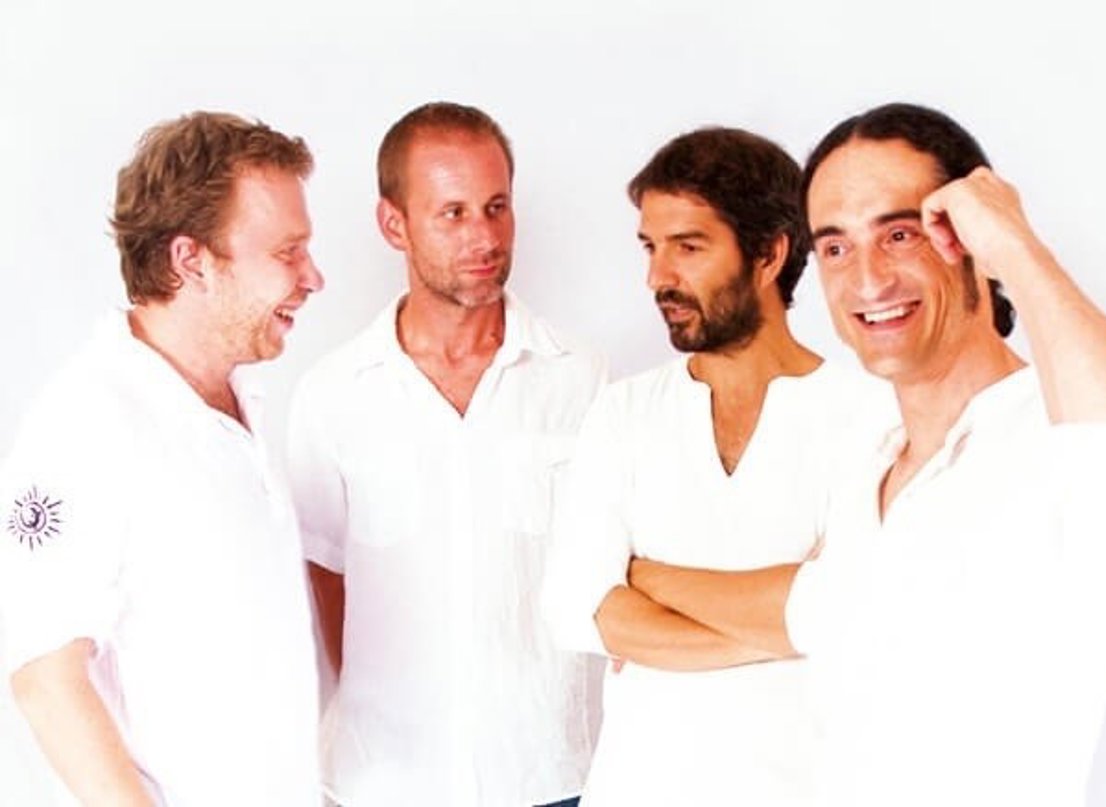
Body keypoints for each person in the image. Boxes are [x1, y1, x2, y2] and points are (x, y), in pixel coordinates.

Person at [625, 102, 1106, 805]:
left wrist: (1016, 245)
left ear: (970, 236)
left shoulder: (1055, 432)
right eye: (836, 247)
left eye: (899, 234)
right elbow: (817, 609)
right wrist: (638, 574)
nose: (867, 281)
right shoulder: (871, 461)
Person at [541, 127, 890, 805]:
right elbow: (575, 609)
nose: (658, 277)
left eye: (689, 246)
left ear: (769, 254)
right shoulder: (624, 412)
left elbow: (856, 611)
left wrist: (646, 577)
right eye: (650, 247)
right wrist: (788, 625)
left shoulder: (871, 418)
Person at [287, 102, 607, 807]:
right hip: (386, 782)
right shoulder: (332, 394)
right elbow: (324, 582)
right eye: (453, 213)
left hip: (549, 775)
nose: (484, 237)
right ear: (393, 224)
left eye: (497, 207)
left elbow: (608, 569)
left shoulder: (581, 379)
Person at [0, 111, 325, 806]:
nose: (313, 277)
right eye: (288, 252)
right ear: (190, 260)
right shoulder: (86, 423)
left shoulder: (240, 401)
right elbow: (44, 675)